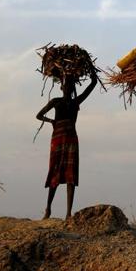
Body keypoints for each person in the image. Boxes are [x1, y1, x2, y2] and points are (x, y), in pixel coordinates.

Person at [36, 69, 98, 220]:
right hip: (57, 139)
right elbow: (39, 115)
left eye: (70, 85)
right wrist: (51, 121)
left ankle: (68, 213)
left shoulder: (76, 102)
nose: (68, 87)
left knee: (71, 176)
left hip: (71, 139)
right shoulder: (55, 101)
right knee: (54, 173)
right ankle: (48, 209)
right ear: (62, 87)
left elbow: (93, 84)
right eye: (66, 85)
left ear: (72, 88)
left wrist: (91, 70)